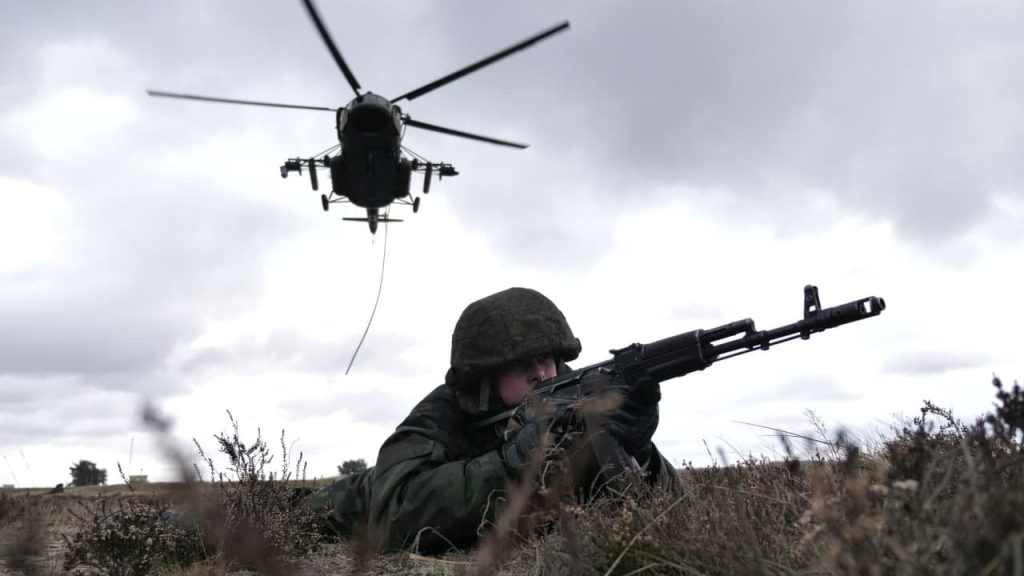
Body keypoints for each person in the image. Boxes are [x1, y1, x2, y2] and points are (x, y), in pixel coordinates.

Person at [306, 287, 682, 553]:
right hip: (346, 503)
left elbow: (674, 517)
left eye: (547, 359)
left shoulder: (572, 409)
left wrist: (640, 454)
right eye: (522, 365)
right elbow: (396, 516)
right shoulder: (442, 413)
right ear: (485, 377)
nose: (543, 374)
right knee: (295, 512)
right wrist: (511, 461)